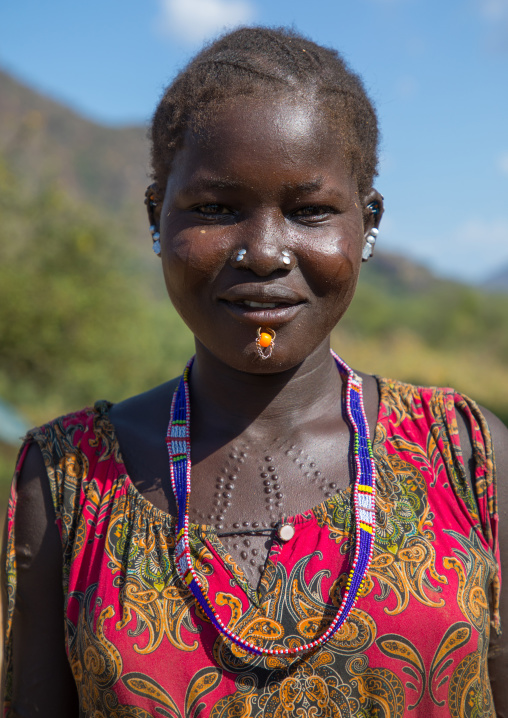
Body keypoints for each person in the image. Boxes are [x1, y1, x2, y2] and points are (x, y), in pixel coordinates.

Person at [2, 26, 507, 717]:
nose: (265, 252)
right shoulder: (64, 483)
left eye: (309, 211)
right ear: (157, 218)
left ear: (368, 223)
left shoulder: (465, 455)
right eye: (216, 209)